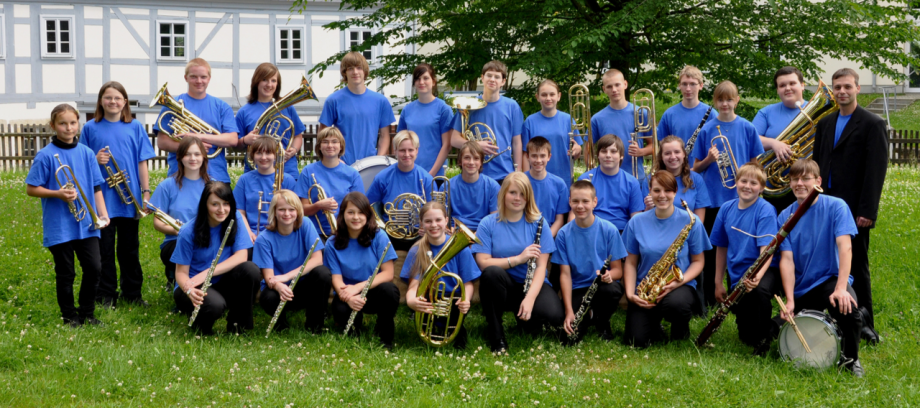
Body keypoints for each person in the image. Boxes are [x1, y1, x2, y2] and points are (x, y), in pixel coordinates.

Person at [813, 68, 888, 344]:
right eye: (837, 87)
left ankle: (865, 322)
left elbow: (876, 170)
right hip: (826, 203)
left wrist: (867, 210)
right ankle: (831, 313)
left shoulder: (872, 123)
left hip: (855, 207)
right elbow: (818, 162)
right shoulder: (825, 123)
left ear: (858, 88)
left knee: (857, 261)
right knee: (827, 259)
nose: (841, 91)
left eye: (847, 86)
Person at [772, 159, 863, 377]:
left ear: (818, 181)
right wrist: (790, 300)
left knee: (848, 311)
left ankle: (851, 360)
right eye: (795, 178)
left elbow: (845, 248)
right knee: (772, 332)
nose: (799, 183)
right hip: (803, 287)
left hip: (830, 280)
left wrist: (841, 287)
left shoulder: (836, 206)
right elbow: (787, 260)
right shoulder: (785, 216)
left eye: (806, 178)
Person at [26, 104, 110, 327]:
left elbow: (96, 186)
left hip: (87, 223)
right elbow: (31, 188)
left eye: (72, 123)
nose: (68, 127)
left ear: (78, 125)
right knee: (66, 273)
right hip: (59, 224)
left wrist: (103, 213)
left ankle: (87, 313)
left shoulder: (87, 153)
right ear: (53, 126)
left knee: (94, 268)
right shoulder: (45, 155)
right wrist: (57, 194)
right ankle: (69, 317)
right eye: (62, 123)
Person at [79, 81, 155, 308]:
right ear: (101, 101)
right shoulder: (90, 128)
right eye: (108, 97)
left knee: (130, 249)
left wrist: (146, 192)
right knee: (104, 250)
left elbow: (142, 163)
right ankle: (105, 295)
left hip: (129, 200)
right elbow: (81, 162)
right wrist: (95, 159)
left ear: (125, 102)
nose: (113, 101)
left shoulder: (135, 127)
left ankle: (132, 293)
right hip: (102, 200)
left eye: (117, 98)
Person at [472, 172, 563, 353]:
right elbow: (483, 263)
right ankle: (496, 335)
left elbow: (541, 267)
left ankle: (524, 318)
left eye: (522, 194)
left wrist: (529, 299)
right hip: (502, 286)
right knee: (490, 273)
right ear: (503, 194)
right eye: (513, 192)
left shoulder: (539, 223)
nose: (517, 198)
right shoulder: (487, 223)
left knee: (554, 316)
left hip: (531, 284)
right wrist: (518, 259)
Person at [692, 80, 764, 307]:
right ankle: (713, 293)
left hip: (741, 199)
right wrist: (709, 159)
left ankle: (737, 289)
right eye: (720, 100)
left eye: (729, 99)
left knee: (740, 246)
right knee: (713, 248)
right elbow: (695, 168)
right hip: (713, 199)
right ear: (714, 102)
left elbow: (756, 165)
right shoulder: (706, 129)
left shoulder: (747, 127)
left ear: (737, 100)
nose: (725, 104)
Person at [622, 171, 711, 348]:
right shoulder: (636, 222)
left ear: (675, 191)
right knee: (635, 342)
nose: (662, 196)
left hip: (679, 285)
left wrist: (679, 282)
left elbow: (698, 261)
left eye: (668, 190)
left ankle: (680, 327)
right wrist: (631, 294)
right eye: (657, 190)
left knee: (677, 305)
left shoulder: (691, 221)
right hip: (647, 287)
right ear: (649, 191)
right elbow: (630, 263)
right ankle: (655, 325)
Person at [709, 162, 780, 354]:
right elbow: (721, 246)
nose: (747, 186)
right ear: (736, 182)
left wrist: (757, 278)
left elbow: (767, 250)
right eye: (743, 181)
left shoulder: (765, 210)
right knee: (746, 336)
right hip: (738, 273)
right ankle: (774, 326)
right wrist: (718, 282)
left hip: (764, 268)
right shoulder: (725, 209)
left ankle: (764, 340)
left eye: (754, 183)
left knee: (759, 292)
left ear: (762, 188)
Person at [172, 182, 260, 335]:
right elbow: (180, 273)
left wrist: (208, 273)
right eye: (215, 204)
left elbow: (242, 256)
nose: (221, 210)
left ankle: (238, 326)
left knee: (250, 269)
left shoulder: (235, 219)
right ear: (205, 205)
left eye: (226, 204)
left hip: (220, 280)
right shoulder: (188, 231)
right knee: (214, 306)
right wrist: (190, 289)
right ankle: (201, 327)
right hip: (193, 286)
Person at [325, 192, 399, 349]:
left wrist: (358, 288)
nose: (355, 217)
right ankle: (354, 325)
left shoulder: (379, 236)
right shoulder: (332, 242)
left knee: (390, 290)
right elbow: (336, 279)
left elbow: (388, 273)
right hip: (347, 294)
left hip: (372, 292)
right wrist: (348, 297)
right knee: (348, 326)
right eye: (350, 212)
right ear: (342, 214)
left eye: (360, 213)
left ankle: (384, 333)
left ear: (368, 215)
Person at [402, 202, 481, 350]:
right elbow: (413, 285)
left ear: (446, 220)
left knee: (456, 317)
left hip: (454, 299)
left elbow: (468, 283)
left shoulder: (461, 249)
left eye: (438, 220)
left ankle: (452, 328)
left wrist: (466, 300)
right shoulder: (416, 250)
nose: (434, 225)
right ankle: (436, 325)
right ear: (422, 224)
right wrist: (411, 301)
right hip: (428, 298)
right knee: (425, 311)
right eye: (428, 221)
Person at [556, 180, 627, 343]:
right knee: (567, 339)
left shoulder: (609, 229)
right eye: (575, 201)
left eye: (585, 201)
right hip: (578, 289)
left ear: (595, 202)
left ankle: (602, 321)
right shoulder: (563, 234)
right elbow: (565, 275)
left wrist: (609, 275)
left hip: (601, 287)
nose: (580, 206)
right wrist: (569, 311)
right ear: (570, 202)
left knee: (613, 290)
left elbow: (618, 271)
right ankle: (590, 315)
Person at [254, 190, 332, 334]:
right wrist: (279, 286)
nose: (287, 214)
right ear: (274, 212)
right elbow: (269, 277)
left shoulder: (306, 225)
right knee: (268, 298)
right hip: (278, 289)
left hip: (303, 287)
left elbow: (317, 260)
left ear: (298, 211)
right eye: (282, 209)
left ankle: (315, 325)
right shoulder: (263, 239)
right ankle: (281, 326)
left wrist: (287, 277)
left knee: (323, 273)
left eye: (291, 209)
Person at [650, 135, 712, 312]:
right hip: (658, 235)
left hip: (687, 236)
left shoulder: (696, 179)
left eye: (677, 152)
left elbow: (699, 215)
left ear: (684, 154)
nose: (673, 156)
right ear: (661, 156)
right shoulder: (653, 179)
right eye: (667, 153)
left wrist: (689, 238)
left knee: (694, 258)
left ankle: (695, 302)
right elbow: (645, 215)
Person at [154, 58, 239, 184]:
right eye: (193, 77)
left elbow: (232, 139)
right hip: (180, 176)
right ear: (186, 78)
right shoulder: (173, 105)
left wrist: (196, 136)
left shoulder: (221, 106)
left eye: (203, 77)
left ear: (209, 78)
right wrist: (192, 148)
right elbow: (162, 142)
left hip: (215, 175)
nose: (199, 81)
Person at [149, 137, 210, 290]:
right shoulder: (167, 186)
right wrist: (179, 231)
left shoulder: (212, 186)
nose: (193, 158)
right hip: (175, 241)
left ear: (203, 157)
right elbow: (158, 223)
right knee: (184, 248)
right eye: (188, 154)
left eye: (197, 154)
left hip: (205, 239)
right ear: (180, 157)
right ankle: (176, 278)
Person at [450, 60, 524, 185]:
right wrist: (475, 145)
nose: (492, 79)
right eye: (489, 75)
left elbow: (517, 143)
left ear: (503, 82)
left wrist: (518, 172)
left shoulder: (512, 106)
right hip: (474, 173)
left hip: (504, 173)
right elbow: (454, 140)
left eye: (497, 77)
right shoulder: (468, 106)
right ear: (482, 78)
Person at [319, 52, 396, 164]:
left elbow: (385, 136)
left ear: (364, 71)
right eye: (350, 68)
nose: (355, 72)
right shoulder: (333, 100)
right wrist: (336, 160)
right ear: (344, 72)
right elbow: (322, 134)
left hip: (370, 165)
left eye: (359, 68)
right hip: (342, 165)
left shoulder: (380, 101)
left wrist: (377, 161)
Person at [236, 62, 306, 182]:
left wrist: (293, 149)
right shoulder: (244, 111)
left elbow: (298, 136)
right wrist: (245, 140)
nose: (269, 84)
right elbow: (235, 145)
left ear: (277, 84)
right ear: (256, 82)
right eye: (264, 80)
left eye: (273, 80)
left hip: (286, 169)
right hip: (255, 171)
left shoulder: (287, 107)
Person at [365, 130, 433, 250]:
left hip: (420, 236)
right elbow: (366, 206)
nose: (407, 154)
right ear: (395, 151)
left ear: (417, 151)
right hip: (389, 236)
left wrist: (426, 226)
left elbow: (435, 210)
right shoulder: (382, 177)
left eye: (411, 150)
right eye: (402, 150)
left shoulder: (426, 178)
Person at [753, 66, 807, 213]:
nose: (787, 88)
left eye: (792, 83)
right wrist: (773, 143)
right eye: (782, 85)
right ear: (777, 90)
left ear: (802, 85)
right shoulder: (766, 112)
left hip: (807, 183)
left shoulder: (817, 111)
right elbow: (750, 139)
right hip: (776, 187)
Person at [295, 126, 364, 241]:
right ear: (319, 147)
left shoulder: (352, 174)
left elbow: (360, 208)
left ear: (341, 146)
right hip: (316, 233)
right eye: (325, 142)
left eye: (334, 142)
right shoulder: (308, 171)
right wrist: (319, 205)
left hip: (346, 231)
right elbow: (301, 209)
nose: (330, 145)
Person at [590, 69, 652, 194]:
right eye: (609, 86)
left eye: (617, 84)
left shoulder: (641, 113)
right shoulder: (597, 118)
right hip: (606, 179)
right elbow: (588, 150)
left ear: (625, 84)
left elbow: (655, 146)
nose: (614, 90)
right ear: (604, 89)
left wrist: (641, 151)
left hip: (636, 177)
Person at [574, 135, 644, 232]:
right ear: (598, 155)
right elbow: (574, 214)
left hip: (622, 233)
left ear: (621, 156)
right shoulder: (585, 179)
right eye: (603, 151)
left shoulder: (632, 182)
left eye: (613, 151)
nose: (608, 155)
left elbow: (635, 218)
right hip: (592, 231)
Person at [233, 136, 296, 243]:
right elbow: (239, 212)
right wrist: (248, 233)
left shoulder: (287, 180)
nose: (263, 157)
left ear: (275, 155)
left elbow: (295, 211)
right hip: (252, 233)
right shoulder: (244, 180)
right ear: (252, 156)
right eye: (259, 153)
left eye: (268, 153)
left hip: (280, 233)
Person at [397, 63, 454, 177]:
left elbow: (447, 145)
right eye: (418, 79)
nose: (421, 82)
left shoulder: (444, 109)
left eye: (425, 78)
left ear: (433, 81)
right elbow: (399, 144)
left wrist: (430, 175)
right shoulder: (407, 110)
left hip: (436, 174)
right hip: (410, 173)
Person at [521, 79, 582, 182]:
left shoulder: (568, 120)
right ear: (537, 97)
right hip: (536, 178)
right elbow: (525, 154)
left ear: (559, 96)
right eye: (544, 95)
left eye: (552, 94)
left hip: (564, 177)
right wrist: (526, 181)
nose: (548, 98)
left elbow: (578, 148)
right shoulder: (530, 121)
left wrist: (577, 149)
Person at [656, 66, 715, 146]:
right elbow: (662, 145)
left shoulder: (711, 114)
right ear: (679, 85)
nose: (688, 89)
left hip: (704, 159)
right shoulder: (669, 114)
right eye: (684, 84)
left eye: (692, 84)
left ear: (701, 86)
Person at [448, 141, 500, 232]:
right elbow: (441, 216)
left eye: (476, 158)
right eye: (467, 158)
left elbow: (494, 221)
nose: (471, 162)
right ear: (460, 161)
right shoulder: (448, 185)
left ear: (481, 162)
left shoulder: (493, 186)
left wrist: (479, 234)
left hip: (482, 232)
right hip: (454, 231)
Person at [524, 137, 570, 238]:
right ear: (527, 156)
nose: (538, 160)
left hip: (549, 234)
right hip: (523, 234)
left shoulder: (559, 184)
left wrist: (546, 238)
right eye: (534, 156)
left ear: (549, 157)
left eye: (542, 156)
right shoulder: (520, 181)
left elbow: (560, 219)